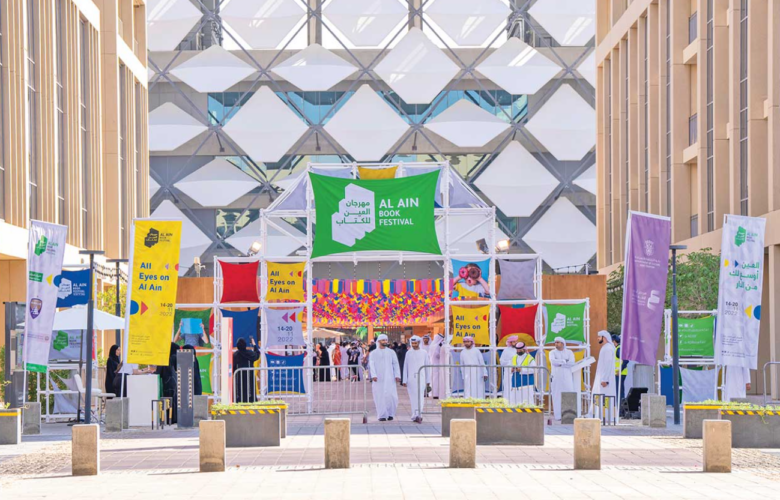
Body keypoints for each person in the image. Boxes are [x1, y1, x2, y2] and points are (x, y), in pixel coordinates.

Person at [368, 334, 401, 421]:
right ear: (378, 341)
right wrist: (373, 375)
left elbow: (395, 363)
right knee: (379, 396)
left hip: (390, 377)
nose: (385, 342)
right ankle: (382, 415)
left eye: (386, 340)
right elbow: (371, 365)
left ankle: (390, 413)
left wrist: (397, 375)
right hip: (378, 378)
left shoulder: (391, 352)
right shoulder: (373, 353)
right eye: (383, 340)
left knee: (391, 396)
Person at [402, 336, 430, 423]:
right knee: (413, 397)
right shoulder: (408, 353)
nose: (414, 345)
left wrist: (428, 380)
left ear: (419, 343)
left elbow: (427, 367)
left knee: (420, 396)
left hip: (421, 378)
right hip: (411, 379)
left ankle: (419, 415)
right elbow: (405, 366)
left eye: (415, 343)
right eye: (412, 343)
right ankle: (415, 414)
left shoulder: (424, 352)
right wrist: (404, 380)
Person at [549, 337, 575, 420]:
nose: (556, 344)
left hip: (567, 377)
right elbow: (553, 362)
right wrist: (565, 361)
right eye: (555, 342)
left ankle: (569, 416)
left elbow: (572, 363)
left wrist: (560, 362)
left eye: (558, 342)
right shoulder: (552, 352)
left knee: (569, 393)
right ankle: (558, 416)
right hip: (556, 377)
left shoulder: (569, 352)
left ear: (563, 343)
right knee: (557, 395)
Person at [593, 331, 617, 421]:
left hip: (605, 380)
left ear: (605, 337)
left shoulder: (608, 348)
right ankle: (602, 416)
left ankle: (606, 417)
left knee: (605, 397)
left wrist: (605, 379)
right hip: (603, 377)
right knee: (602, 397)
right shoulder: (606, 348)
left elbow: (607, 365)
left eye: (599, 337)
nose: (598, 338)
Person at [155, 343, 180, 423]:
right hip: (174, 381)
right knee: (174, 400)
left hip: (167, 382)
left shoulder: (165, 358)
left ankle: (169, 419)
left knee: (168, 401)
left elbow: (158, 372)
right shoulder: (175, 356)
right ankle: (174, 419)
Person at [233, 337, 260, 402]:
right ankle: (251, 401)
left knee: (240, 389)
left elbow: (233, 366)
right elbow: (257, 355)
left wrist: (234, 372)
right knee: (250, 389)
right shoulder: (249, 353)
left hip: (239, 376)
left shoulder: (235, 355)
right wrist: (254, 344)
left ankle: (240, 401)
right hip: (249, 375)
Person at [430, 333, 447, 399]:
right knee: (436, 380)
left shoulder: (434, 345)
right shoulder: (436, 346)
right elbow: (437, 355)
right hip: (436, 365)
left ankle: (437, 393)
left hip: (436, 365)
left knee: (436, 380)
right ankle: (435, 393)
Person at [612, 334, 629, 401]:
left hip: (620, 374)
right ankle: (621, 405)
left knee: (619, 392)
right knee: (620, 391)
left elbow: (626, 360)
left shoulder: (618, 349)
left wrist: (620, 370)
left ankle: (620, 406)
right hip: (621, 373)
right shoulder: (619, 348)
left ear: (614, 341)